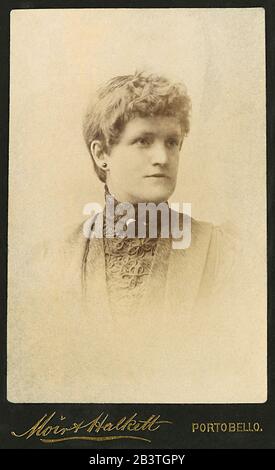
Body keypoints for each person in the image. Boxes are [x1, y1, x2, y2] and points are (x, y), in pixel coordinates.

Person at [8, 71, 238, 403]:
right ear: (102, 154)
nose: (162, 157)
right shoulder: (51, 260)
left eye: (172, 142)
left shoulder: (219, 251)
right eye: (143, 140)